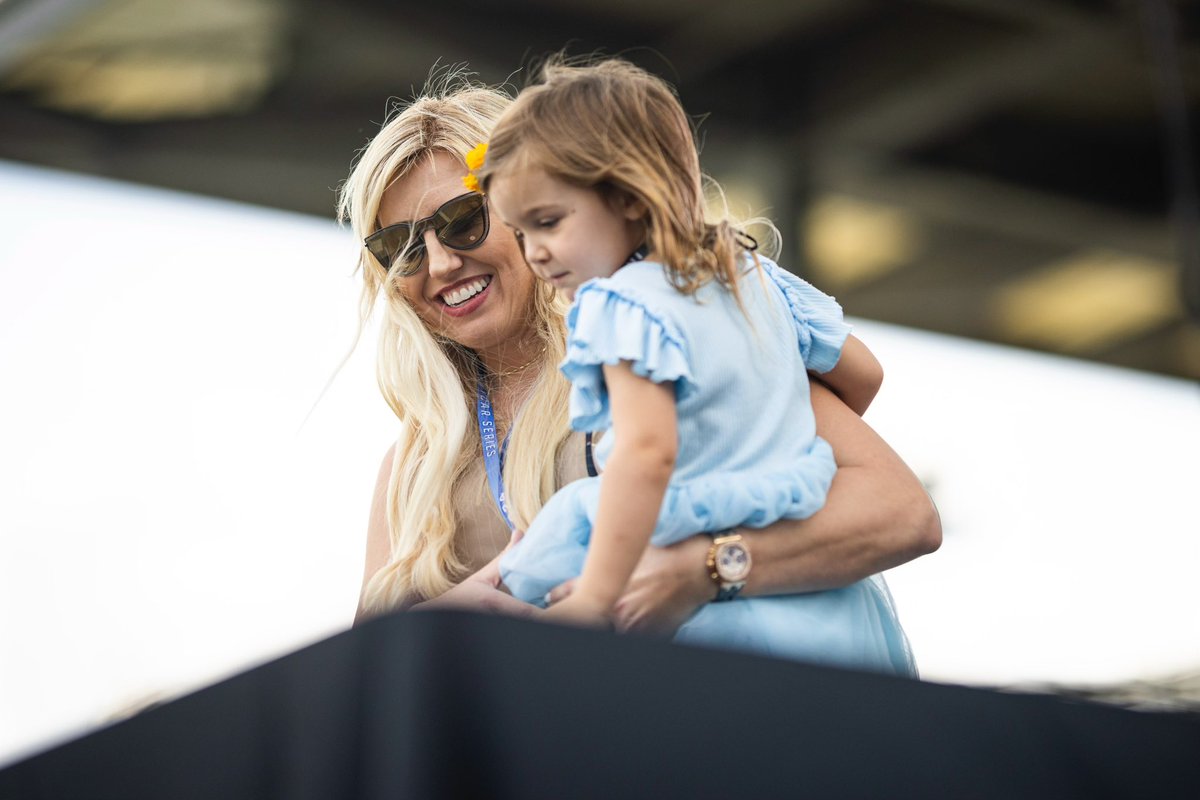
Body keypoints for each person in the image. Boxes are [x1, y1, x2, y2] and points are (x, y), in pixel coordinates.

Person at [339, 69, 940, 652]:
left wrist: (707, 568)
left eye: (463, 220)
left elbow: (903, 513)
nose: (441, 263)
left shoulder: (668, 336)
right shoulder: (414, 466)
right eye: (401, 247)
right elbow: (359, 678)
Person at [478, 58, 916, 674]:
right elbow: (864, 374)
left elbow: (646, 454)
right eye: (521, 233)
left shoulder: (620, 306)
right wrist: (770, 430)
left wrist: (599, 600)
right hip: (823, 606)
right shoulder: (753, 279)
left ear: (627, 196)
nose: (536, 253)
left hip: (710, 616)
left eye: (548, 222)